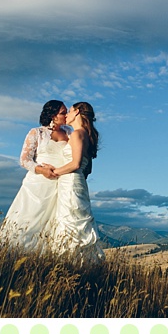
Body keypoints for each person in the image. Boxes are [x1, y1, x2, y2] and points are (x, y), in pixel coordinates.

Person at [0, 100, 69, 252]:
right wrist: (43, 171)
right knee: (29, 218)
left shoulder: (69, 132)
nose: (66, 115)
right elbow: (24, 160)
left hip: (61, 182)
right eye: (63, 112)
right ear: (53, 115)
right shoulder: (37, 133)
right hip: (38, 184)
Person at [49, 101, 104, 262]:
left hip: (71, 182)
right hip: (77, 182)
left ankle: (69, 262)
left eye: (70, 111)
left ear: (78, 112)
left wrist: (54, 172)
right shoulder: (86, 135)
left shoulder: (77, 134)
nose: (66, 115)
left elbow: (76, 164)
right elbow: (88, 169)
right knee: (74, 219)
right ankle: (79, 262)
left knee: (70, 220)